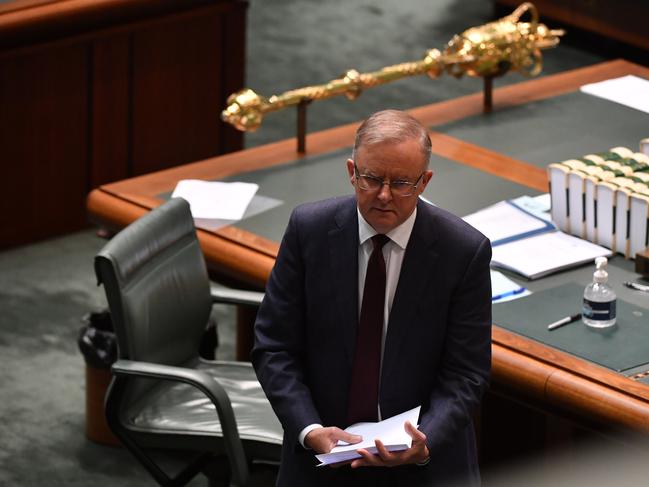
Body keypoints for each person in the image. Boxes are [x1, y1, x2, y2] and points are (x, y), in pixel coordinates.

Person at [252, 109, 492, 486]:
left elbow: (466, 373)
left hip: (424, 465)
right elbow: (274, 347)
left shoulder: (462, 251)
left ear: (424, 181)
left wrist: (425, 441)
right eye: (371, 178)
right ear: (352, 172)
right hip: (322, 459)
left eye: (400, 183)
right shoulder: (308, 231)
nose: (383, 195)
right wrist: (309, 429)